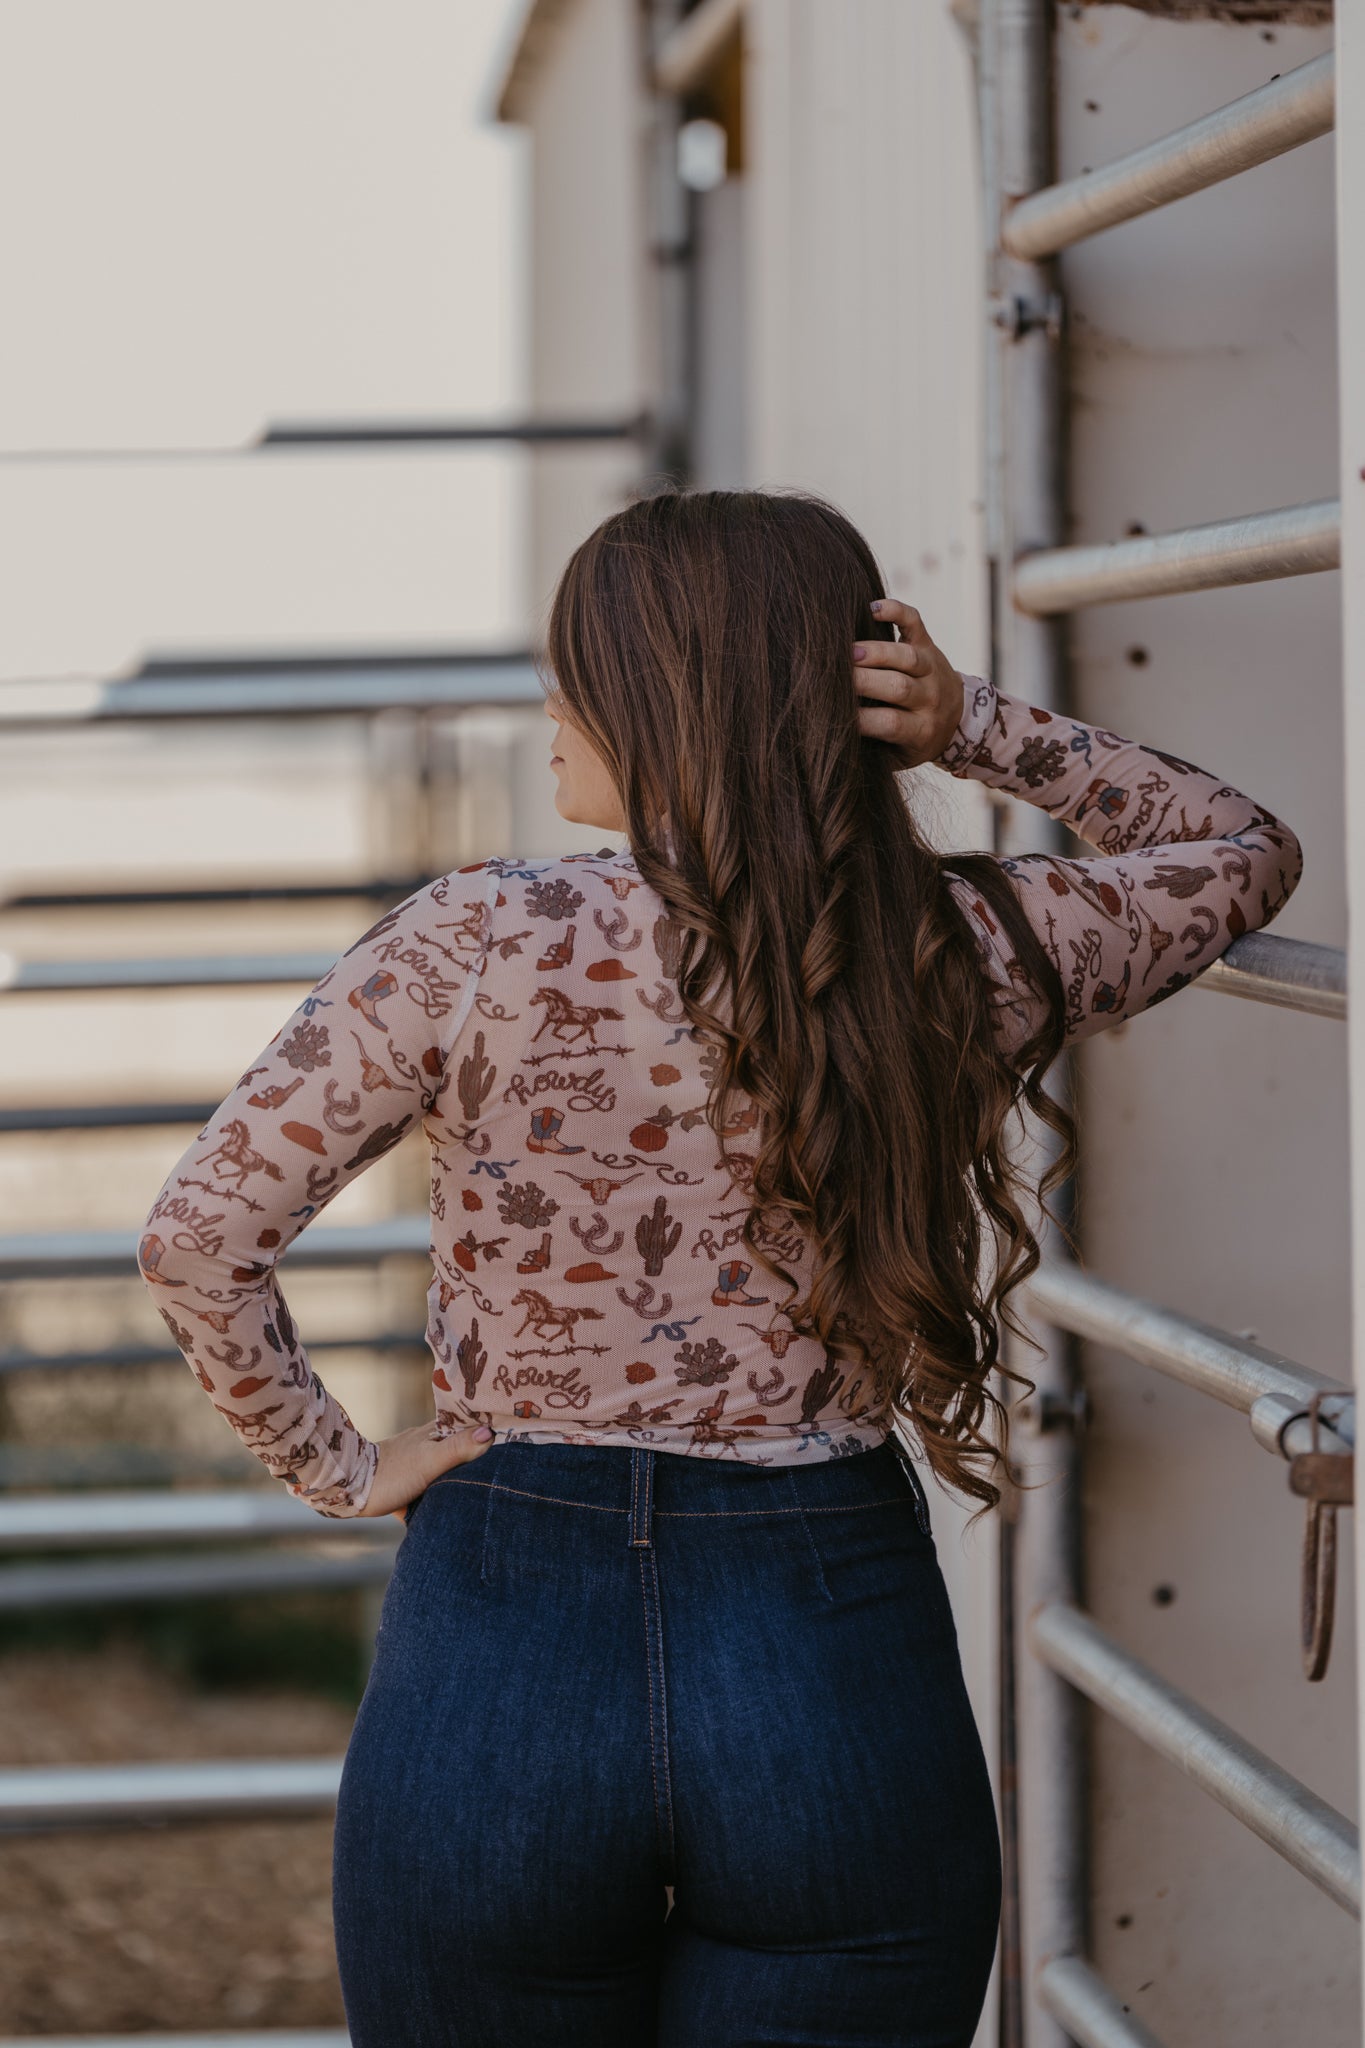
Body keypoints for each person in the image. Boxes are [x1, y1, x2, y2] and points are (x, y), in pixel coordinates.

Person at [136, 488, 1302, 2047]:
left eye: (580, 673)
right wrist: (965, 726)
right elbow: (1242, 850)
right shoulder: (958, 941)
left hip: (501, 1640)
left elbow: (197, 1236)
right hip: (829, 1640)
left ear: (664, 701)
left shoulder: (473, 936)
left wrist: (335, 1467)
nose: (550, 709)